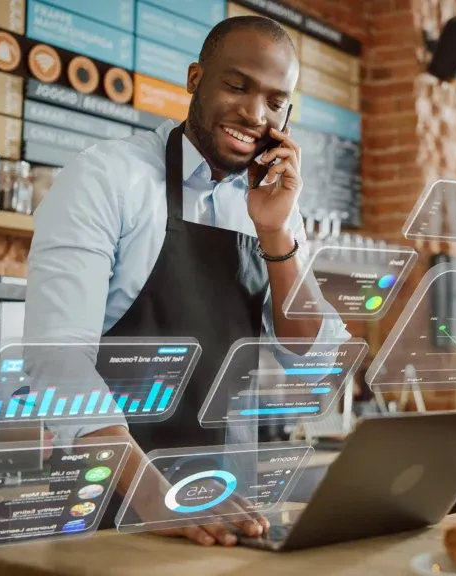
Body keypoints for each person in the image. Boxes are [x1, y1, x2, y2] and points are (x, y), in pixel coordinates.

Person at [23, 16, 349, 547]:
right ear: (196, 79)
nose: (253, 113)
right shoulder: (107, 178)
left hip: (225, 506)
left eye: (275, 100)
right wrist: (154, 495)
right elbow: (55, 360)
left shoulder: (274, 206)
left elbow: (312, 358)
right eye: (236, 85)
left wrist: (276, 230)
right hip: (111, 504)